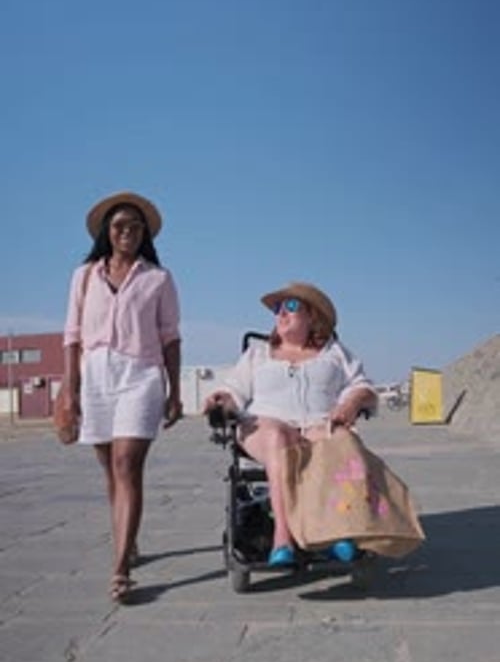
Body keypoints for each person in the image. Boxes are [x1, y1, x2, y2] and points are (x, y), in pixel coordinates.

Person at [203, 281, 377, 566]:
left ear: (313, 316)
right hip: (264, 428)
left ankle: (336, 531)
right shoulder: (258, 354)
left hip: (318, 426)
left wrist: (351, 403)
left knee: (341, 439)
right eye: (277, 308)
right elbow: (235, 392)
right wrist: (222, 400)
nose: (281, 313)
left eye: (291, 306)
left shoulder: (335, 353)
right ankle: (283, 537)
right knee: (278, 437)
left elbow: (363, 387)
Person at [62, 191, 182, 602]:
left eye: (135, 226)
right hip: (95, 375)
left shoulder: (158, 278)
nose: (127, 231)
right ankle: (127, 541)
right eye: (119, 225)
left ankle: (120, 569)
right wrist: (69, 392)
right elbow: (72, 337)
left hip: (141, 375)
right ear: (106, 232)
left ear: (144, 233)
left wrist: (175, 391)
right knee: (111, 471)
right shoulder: (84, 276)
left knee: (127, 463)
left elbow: (170, 338)